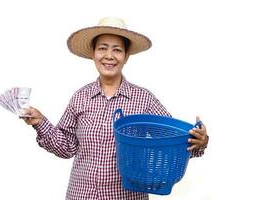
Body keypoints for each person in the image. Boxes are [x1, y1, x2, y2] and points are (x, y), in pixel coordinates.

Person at [21, 17, 209, 200]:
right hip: (81, 195)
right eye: (102, 48)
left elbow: (170, 142)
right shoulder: (80, 97)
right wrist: (40, 122)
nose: (109, 56)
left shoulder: (144, 99)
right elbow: (67, 148)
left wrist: (199, 142)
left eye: (117, 50)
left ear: (126, 56)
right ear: (93, 53)